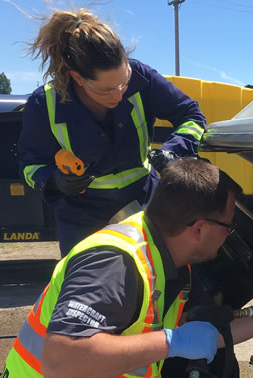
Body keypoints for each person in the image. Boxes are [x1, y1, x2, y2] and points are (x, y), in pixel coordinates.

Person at [2, 158, 253, 378]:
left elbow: (207, 338)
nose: (230, 235)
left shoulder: (170, 262)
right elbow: (61, 360)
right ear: (199, 229)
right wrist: (170, 342)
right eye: (228, 226)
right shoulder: (115, 264)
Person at [18, 8, 206, 257]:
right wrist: (55, 181)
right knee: (92, 293)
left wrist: (174, 151)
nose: (119, 95)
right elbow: (29, 166)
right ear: (78, 78)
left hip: (146, 209)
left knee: (157, 286)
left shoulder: (142, 77)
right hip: (83, 223)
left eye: (124, 82)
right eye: (106, 90)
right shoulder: (44, 104)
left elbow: (192, 116)